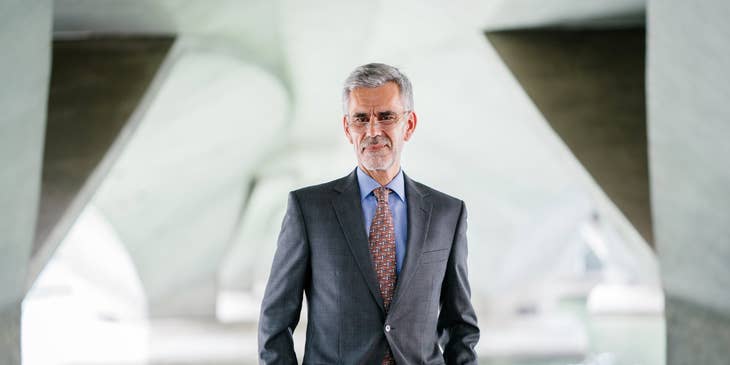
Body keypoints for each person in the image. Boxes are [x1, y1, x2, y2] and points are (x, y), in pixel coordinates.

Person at [258, 63, 479, 364]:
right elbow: (275, 322)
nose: (373, 131)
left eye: (386, 116)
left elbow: (460, 326)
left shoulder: (447, 214)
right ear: (348, 129)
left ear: (409, 124)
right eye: (361, 119)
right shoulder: (309, 210)